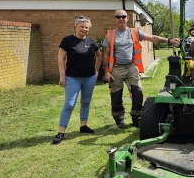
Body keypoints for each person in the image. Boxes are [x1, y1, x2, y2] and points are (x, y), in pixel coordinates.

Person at [103, 9, 180, 129]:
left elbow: (153, 38)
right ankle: (119, 119)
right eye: (118, 17)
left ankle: (136, 118)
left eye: (123, 16)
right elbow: (106, 54)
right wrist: (107, 72)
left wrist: (169, 40)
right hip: (116, 69)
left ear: (127, 18)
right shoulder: (110, 34)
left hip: (132, 67)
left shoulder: (135, 32)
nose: (121, 19)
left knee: (137, 93)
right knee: (116, 95)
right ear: (115, 19)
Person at [53, 16, 102, 144]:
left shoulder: (91, 41)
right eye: (82, 27)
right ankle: (61, 132)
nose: (84, 29)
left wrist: (96, 70)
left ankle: (83, 126)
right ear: (75, 27)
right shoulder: (67, 40)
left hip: (89, 78)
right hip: (72, 78)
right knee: (69, 104)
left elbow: (99, 55)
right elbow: (60, 58)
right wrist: (62, 75)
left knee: (85, 102)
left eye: (86, 27)